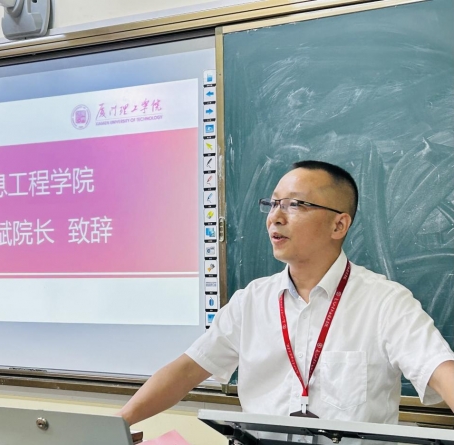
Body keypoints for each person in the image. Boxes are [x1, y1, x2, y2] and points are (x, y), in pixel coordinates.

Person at [119, 160, 454, 426]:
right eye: (273, 203)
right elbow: (185, 372)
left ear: (339, 225)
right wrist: (116, 425)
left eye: (295, 205)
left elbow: (440, 371)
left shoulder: (385, 302)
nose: (275, 218)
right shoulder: (251, 301)